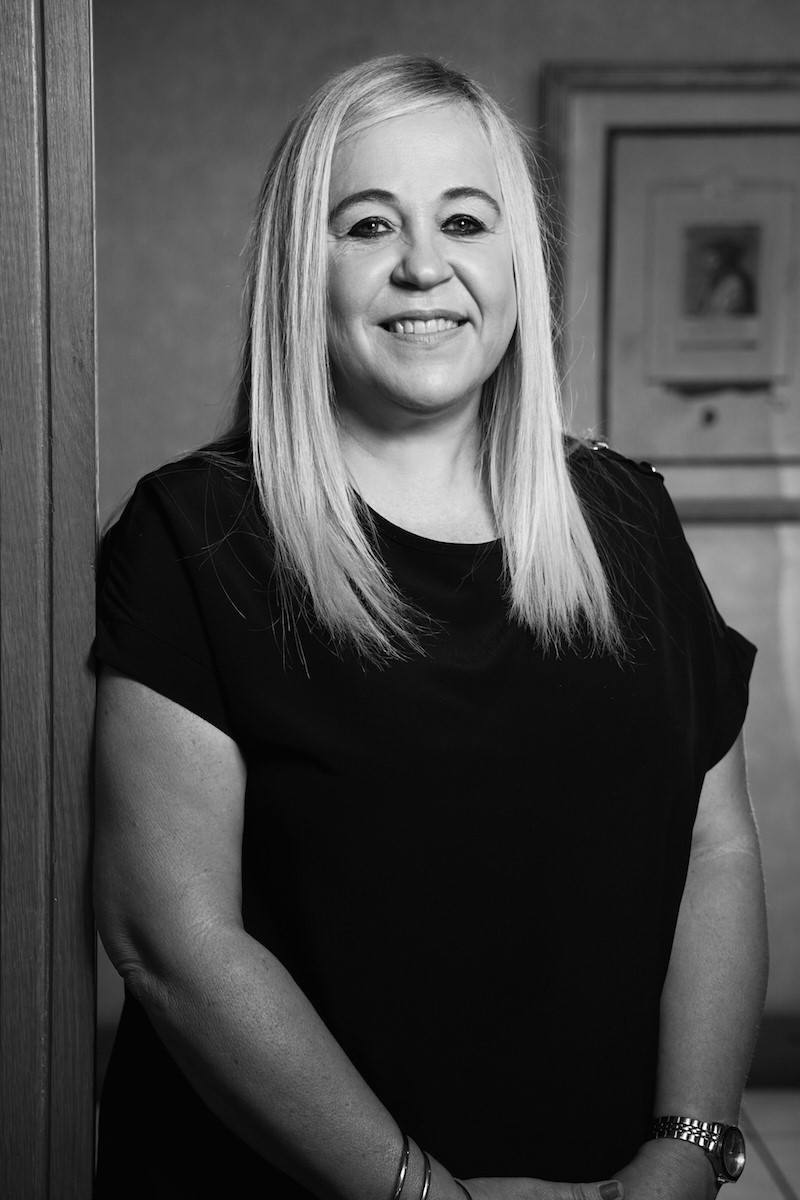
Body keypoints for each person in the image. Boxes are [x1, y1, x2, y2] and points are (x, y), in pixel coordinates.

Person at [93, 54, 768, 1200]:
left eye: (463, 220)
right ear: (301, 266)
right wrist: (417, 1193)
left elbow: (717, 849)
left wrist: (687, 1151)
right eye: (367, 224)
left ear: (514, 262)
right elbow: (171, 943)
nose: (422, 264)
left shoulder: (625, 515)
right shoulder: (192, 535)